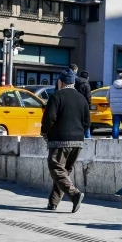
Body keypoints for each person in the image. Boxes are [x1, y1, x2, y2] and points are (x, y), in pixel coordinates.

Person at [41, 68, 89, 213]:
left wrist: (45, 132)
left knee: (56, 168)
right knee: (64, 172)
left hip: (60, 140)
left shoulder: (57, 96)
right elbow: (87, 123)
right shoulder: (82, 99)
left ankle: (75, 194)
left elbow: (49, 118)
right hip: (78, 140)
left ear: (60, 82)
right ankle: (53, 202)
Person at [73, 68, 92, 138]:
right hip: (84, 105)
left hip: (75, 105)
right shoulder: (86, 84)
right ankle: (88, 137)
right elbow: (88, 96)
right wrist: (89, 105)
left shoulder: (75, 82)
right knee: (86, 122)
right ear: (87, 77)